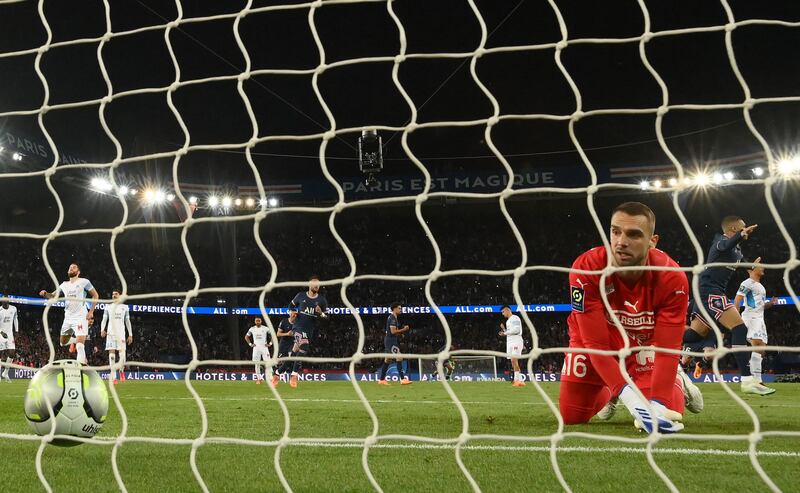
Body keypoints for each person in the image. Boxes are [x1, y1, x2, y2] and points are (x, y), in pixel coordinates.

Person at [560, 202, 691, 433]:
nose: (621, 241)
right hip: (594, 340)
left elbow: (668, 347)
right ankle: (615, 389)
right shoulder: (586, 269)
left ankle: (678, 382)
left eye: (633, 234)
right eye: (615, 231)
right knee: (572, 416)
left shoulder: (672, 278)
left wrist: (657, 404)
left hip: (642, 342)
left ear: (653, 241)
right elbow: (595, 345)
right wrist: (633, 401)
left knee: (669, 408)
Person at [682, 216, 767, 394]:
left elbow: (746, 265)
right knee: (739, 328)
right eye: (743, 228)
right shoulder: (720, 241)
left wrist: (753, 266)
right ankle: (747, 379)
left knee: (694, 335)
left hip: (708, 293)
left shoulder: (736, 250)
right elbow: (724, 246)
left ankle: (656, 339)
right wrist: (740, 235)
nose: (747, 231)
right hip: (710, 291)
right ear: (734, 228)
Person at [39, 263, 98, 365]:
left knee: (80, 346)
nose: (71, 268)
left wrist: (91, 311)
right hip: (68, 318)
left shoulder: (84, 282)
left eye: (74, 267)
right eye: (70, 267)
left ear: (78, 272)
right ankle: (75, 341)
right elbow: (53, 296)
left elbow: (95, 295)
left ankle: (80, 370)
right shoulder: (64, 285)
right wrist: (45, 294)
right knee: (62, 343)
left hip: (81, 317)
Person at [734, 258, 778, 395]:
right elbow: (737, 300)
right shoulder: (747, 283)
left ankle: (757, 381)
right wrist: (736, 320)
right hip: (751, 318)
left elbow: (759, 306)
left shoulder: (760, 286)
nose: (763, 268)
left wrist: (770, 304)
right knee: (757, 345)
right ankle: (756, 382)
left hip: (759, 318)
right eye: (760, 266)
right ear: (753, 269)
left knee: (761, 349)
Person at [287, 276, 328, 388]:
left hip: (310, 330)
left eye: (318, 284)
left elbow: (327, 317)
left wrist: (321, 313)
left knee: (297, 351)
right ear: (309, 284)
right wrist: (292, 313)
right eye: (314, 284)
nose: (316, 286)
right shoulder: (300, 295)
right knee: (304, 347)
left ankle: (277, 373)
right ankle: (294, 376)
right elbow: (291, 305)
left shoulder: (322, 300)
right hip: (297, 327)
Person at [100, 290, 133, 384]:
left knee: (122, 356)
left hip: (121, 334)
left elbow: (127, 321)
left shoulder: (125, 307)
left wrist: (130, 334)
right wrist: (102, 329)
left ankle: (121, 371)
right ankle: (114, 376)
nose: (114, 295)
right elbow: (104, 319)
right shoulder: (108, 307)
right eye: (113, 294)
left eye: (116, 294)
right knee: (111, 356)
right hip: (110, 334)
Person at [378, 302, 411, 385]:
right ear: (394, 309)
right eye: (399, 308)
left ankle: (381, 380)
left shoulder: (393, 317)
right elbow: (393, 332)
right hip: (391, 341)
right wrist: (404, 329)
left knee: (388, 359)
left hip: (390, 340)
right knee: (399, 357)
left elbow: (393, 332)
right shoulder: (392, 318)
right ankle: (403, 379)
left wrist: (400, 333)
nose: (401, 310)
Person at [499, 305, 525, 387]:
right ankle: (520, 380)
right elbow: (510, 332)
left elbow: (516, 330)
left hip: (516, 341)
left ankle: (516, 380)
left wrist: (505, 333)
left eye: (503, 312)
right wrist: (504, 330)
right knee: (513, 362)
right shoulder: (508, 321)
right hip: (510, 342)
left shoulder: (515, 318)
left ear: (507, 310)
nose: (502, 314)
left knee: (514, 359)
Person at [271, 311, 297, 387]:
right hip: (284, 344)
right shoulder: (284, 322)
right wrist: (287, 334)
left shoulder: (298, 323)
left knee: (289, 358)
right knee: (278, 361)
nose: (294, 315)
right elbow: (278, 334)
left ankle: (289, 377)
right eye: (293, 313)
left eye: (295, 314)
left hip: (293, 344)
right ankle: (275, 375)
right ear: (290, 314)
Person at [244, 317, 271, 384]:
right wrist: (250, 344)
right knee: (257, 364)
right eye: (256, 321)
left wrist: (270, 343)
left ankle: (270, 378)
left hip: (264, 348)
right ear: (255, 322)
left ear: (261, 321)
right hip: (256, 348)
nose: (258, 322)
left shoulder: (265, 328)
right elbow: (246, 337)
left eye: (259, 320)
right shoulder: (252, 329)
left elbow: (273, 335)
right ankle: (259, 379)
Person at [0, 300, 20, 382]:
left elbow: (15, 319)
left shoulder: (13, 309)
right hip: (1, 333)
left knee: (12, 353)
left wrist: (17, 330)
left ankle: (5, 373)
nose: (5, 303)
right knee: (1, 354)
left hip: (10, 334)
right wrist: (1, 332)